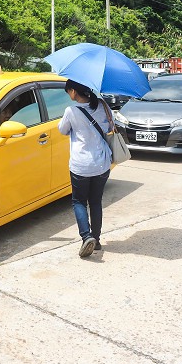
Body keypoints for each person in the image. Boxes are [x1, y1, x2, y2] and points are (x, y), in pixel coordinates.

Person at [58, 79, 112, 258]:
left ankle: (86, 236)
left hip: (81, 165)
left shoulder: (71, 111)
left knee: (78, 201)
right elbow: (111, 127)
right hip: (102, 163)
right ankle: (95, 240)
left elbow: (62, 130)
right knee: (96, 201)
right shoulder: (103, 106)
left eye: (68, 92)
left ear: (73, 91)